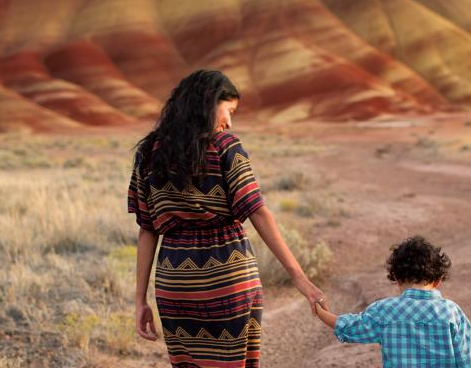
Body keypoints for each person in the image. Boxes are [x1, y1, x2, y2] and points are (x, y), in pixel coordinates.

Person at [127, 69, 327, 368]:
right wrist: (299, 277)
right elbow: (257, 211)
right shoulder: (225, 147)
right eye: (229, 110)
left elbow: (147, 229)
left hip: (175, 285)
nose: (229, 122)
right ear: (207, 103)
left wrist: (140, 300)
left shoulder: (149, 153)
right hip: (227, 277)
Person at [315, 236, 471, 368]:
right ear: (438, 280)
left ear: (397, 278)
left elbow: (350, 327)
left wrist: (320, 311)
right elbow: (470, 360)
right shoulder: (451, 312)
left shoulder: (385, 311)